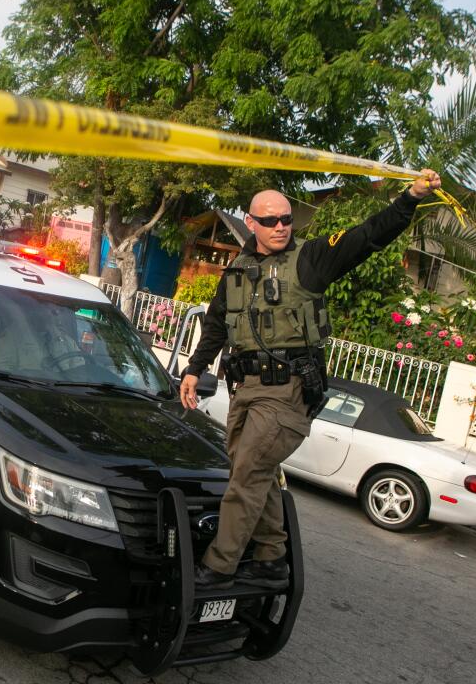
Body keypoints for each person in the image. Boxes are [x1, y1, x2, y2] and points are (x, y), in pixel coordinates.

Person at [180, 170, 442, 589]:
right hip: (245, 388)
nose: (281, 226)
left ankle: (218, 565)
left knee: (248, 473)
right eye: (270, 221)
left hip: (287, 392)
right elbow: (215, 322)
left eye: (287, 219)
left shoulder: (310, 259)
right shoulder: (239, 267)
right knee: (251, 469)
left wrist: (410, 197)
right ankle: (270, 556)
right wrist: (195, 368)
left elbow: (368, 235)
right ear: (251, 223)